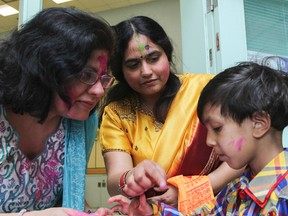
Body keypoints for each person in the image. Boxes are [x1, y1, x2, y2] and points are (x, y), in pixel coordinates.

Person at [96, 61, 288, 215]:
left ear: (259, 124)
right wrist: (152, 212)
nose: (209, 141)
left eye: (217, 128)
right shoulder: (237, 188)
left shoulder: (283, 196)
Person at [98, 15, 243, 207]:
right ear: (120, 72)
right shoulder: (117, 112)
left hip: (219, 204)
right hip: (154, 209)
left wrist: (190, 191)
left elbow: (241, 153)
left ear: (167, 54)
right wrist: (133, 176)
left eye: (154, 58)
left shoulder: (206, 90)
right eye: (133, 65)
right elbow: (115, 179)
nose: (146, 71)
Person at [0, 7, 114, 215]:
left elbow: (67, 197)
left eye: (103, 79)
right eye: (87, 75)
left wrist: (88, 212)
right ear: (46, 68)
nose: (99, 91)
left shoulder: (82, 122)